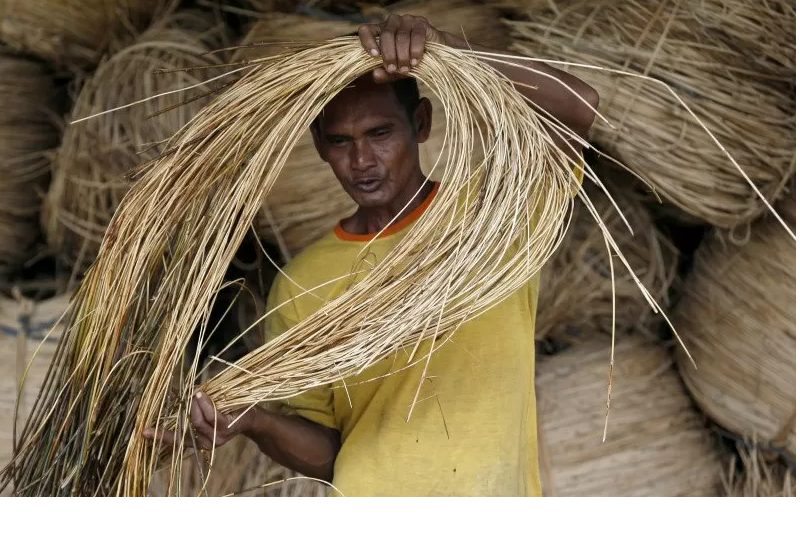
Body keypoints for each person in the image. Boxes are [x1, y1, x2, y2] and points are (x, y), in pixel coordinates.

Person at [145, 13, 599, 497]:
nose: (361, 161)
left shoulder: (495, 219)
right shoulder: (301, 282)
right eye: (341, 141)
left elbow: (580, 107)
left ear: (420, 123)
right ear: (319, 145)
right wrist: (256, 423)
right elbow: (329, 452)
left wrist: (452, 52)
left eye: (380, 134)